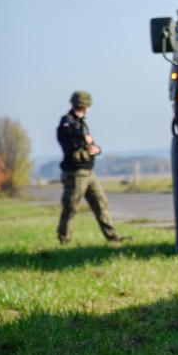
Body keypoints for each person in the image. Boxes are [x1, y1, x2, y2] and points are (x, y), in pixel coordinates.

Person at [56, 90, 128, 245]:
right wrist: (82, 140)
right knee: (71, 207)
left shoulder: (81, 123)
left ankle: (113, 238)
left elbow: (88, 146)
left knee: (101, 204)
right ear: (83, 105)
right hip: (75, 173)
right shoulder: (66, 122)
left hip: (89, 172)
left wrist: (97, 149)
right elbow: (68, 145)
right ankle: (64, 240)